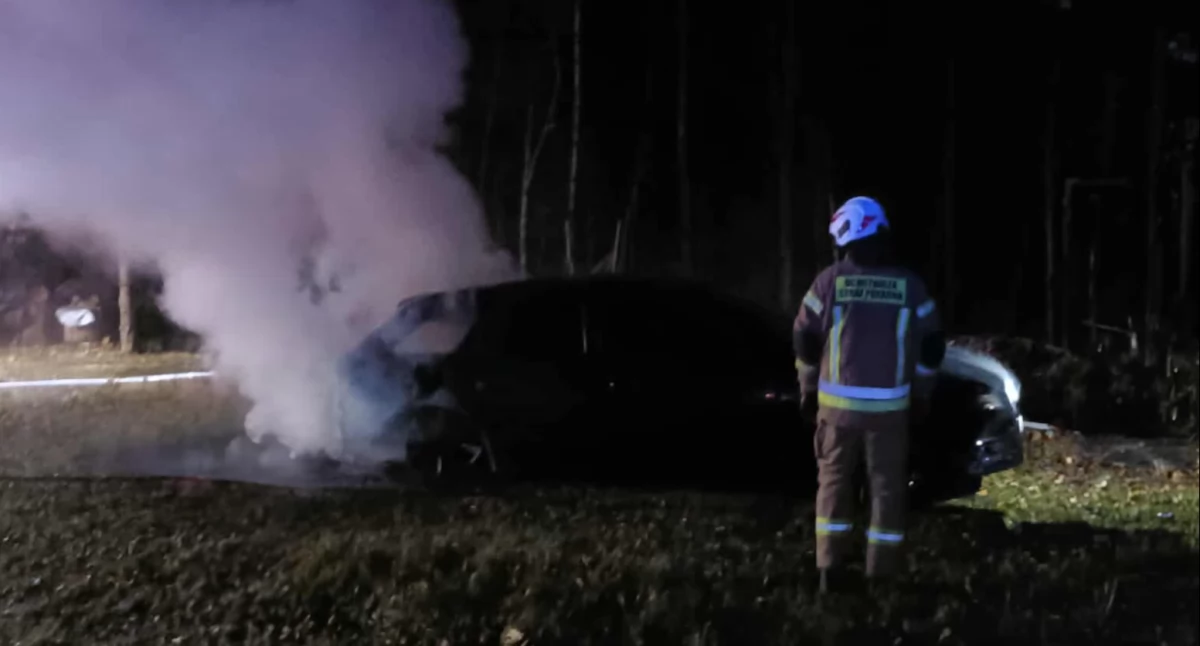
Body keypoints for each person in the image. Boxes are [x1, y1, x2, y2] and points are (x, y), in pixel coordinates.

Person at [792, 196, 945, 594]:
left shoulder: (829, 282)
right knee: (887, 491)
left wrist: (808, 389)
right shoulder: (910, 287)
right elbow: (932, 346)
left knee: (833, 488)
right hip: (890, 415)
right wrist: (924, 393)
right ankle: (881, 577)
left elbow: (804, 339)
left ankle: (830, 571)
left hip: (837, 415)